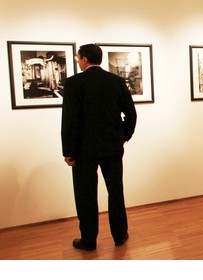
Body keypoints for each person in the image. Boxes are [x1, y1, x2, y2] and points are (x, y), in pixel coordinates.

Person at [61, 44, 137, 251]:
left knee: (85, 195)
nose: (78, 61)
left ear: (84, 59)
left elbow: (69, 120)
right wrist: (123, 136)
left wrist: (68, 151)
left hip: (83, 150)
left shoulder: (74, 83)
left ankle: (88, 240)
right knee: (115, 191)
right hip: (112, 147)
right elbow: (131, 114)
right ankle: (120, 235)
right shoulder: (116, 81)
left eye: (78, 58)